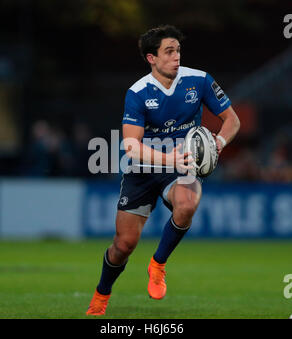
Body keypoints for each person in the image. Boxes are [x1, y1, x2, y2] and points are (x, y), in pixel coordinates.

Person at [86, 25, 240, 316]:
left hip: (180, 168)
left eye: (178, 50)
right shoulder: (138, 92)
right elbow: (131, 147)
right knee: (123, 245)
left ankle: (158, 264)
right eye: (169, 51)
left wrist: (217, 144)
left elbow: (232, 120)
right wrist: (171, 160)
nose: (176, 56)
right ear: (151, 58)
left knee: (188, 203)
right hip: (143, 169)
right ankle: (101, 295)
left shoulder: (200, 80)